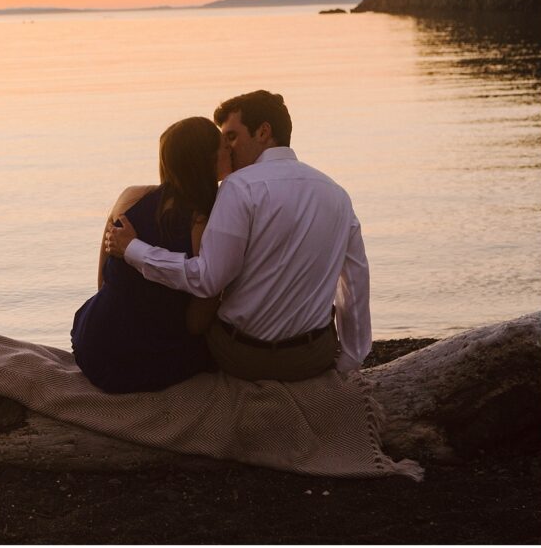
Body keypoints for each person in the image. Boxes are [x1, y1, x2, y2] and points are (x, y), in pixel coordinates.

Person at [105, 90, 371, 381]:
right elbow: (355, 281)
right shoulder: (337, 194)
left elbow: (207, 280)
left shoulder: (239, 187)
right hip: (312, 358)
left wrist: (134, 250)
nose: (228, 149)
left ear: (263, 132)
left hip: (242, 357)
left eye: (232, 137)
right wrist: (350, 359)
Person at [71, 116, 230, 393]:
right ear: (207, 159)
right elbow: (196, 323)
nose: (230, 149)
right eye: (223, 146)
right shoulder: (203, 223)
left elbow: (103, 281)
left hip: (93, 343)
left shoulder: (130, 198)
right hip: (142, 360)